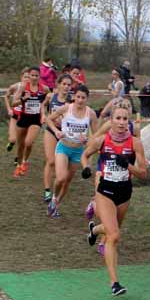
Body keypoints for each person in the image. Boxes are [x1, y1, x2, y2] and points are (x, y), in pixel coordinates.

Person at [81, 102, 147, 296]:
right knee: (114, 236)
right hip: (105, 191)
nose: (121, 122)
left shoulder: (135, 143)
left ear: (129, 122)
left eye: (125, 119)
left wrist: (128, 165)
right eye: (117, 118)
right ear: (111, 121)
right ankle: (114, 283)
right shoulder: (101, 140)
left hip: (125, 192)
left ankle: (94, 230)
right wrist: (86, 168)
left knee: (111, 230)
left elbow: (143, 174)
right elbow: (85, 155)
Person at [46, 84, 97, 218]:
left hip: (78, 151)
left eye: (83, 98)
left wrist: (87, 140)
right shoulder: (66, 108)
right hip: (63, 147)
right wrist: (57, 131)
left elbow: (96, 135)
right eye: (78, 97)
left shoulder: (90, 113)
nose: (80, 100)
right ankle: (53, 198)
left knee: (67, 181)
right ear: (74, 96)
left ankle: (56, 204)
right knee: (61, 178)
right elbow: (48, 119)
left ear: (87, 99)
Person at [40, 74, 74, 202]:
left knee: (65, 166)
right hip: (51, 131)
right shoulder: (51, 96)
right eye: (64, 84)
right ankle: (47, 191)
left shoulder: (71, 101)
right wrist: (43, 115)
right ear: (58, 84)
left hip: (65, 134)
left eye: (69, 85)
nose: (66, 87)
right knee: (51, 161)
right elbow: (43, 105)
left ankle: (59, 182)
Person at [14, 66, 46, 177]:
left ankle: (25, 162)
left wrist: (44, 114)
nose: (34, 77)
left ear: (39, 77)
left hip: (36, 119)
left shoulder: (44, 89)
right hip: (23, 117)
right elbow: (13, 103)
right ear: (29, 75)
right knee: (20, 145)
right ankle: (18, 166)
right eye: (32, 75)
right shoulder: (23, 87)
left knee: (28, 142)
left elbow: (47, 101)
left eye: (36, 75)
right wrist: (23, 99)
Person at [3, 70, 29, 163]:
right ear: (21, 77)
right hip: (15, 116)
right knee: (13, 139)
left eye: (29, 77)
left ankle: (18, 157)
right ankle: (11, 143)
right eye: (25, 76)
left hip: (26, 117)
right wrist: (9, 109)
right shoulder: (15, 86)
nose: (27, 79)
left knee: (23, 140)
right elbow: (6, 96)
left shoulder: (33, 89)